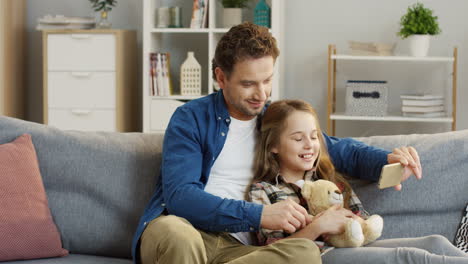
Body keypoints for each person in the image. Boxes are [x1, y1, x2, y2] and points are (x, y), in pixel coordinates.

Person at [131, 22, 423, 264]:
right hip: (184, 232)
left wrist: (389, 160)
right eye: (248, 84)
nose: (261, 93)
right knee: (177, 234)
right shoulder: (191, 118)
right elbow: (182, 197)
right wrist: (261, 215)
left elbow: (337, 149)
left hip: (240, 252)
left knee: (305, 253)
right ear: (221, 77)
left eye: (267, 80)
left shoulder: (273, 119)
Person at [249, 99, 468, 263]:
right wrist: (318, 226)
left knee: (435, 242)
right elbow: (272, 254)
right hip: (319, 256)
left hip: (352, 247)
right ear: (273, 146)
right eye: (298, 138)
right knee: (408, 257)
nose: (309, 145)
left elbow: (361, 223)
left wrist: (357, 223)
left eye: (314, 136)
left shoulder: (328, 179)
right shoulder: (263, 191)